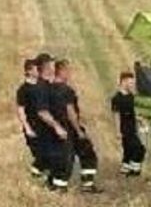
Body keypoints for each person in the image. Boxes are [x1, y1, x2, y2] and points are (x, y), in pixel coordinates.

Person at [54, 59, 100, 193]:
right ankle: (86, 184)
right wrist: (79, 131)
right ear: (61, 71)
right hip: (70, 127)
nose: (70, 73)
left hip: (58, 127)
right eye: (68, 70)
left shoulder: (49, 89)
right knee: (86, 153)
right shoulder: (66, 90)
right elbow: (70, 112)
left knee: (65, 156)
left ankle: (59, 186)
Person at [31, 54, 72, 192]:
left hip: (52, 131)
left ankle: (52, 185)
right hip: (47, 132)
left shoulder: (48, 85)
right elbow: (42, 112)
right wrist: (57, 127)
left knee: (60, 159)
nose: (55, 67)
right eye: (53, 65)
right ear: (47, 67)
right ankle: (57, 188)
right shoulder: (41, 87)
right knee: (61, 159)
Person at [15, 58, 46, 177]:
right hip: (33, 126)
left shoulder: (42, 85)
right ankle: (36, 173)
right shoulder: (23, 90)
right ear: (29, 71)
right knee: (41, 154)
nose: (39, 70)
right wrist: (27, 128)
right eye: (36, 68)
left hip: (45, 125)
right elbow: (21, 110)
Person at [111, 71, 145, 176]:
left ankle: (125, 169)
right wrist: (118, 131)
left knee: (129, 150)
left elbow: (134, 112)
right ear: (123, 82)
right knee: (139, 148)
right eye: (130, 83)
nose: (132, 85)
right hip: (124, 128)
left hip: (132, 126)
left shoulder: (131, 97)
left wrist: (140, 120)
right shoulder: (117, 98)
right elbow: (116, 115)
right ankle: (134, 170)